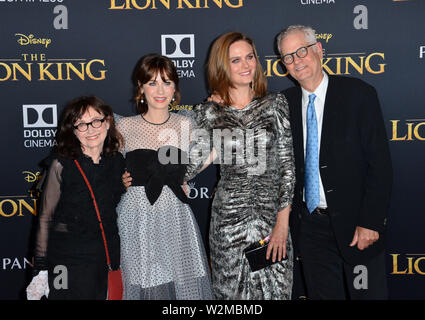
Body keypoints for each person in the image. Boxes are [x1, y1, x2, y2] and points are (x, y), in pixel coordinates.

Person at [277, 25, 392, 299]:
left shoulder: (359, 94)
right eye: (288, 57)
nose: (296, 60)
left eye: (301, 51)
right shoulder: (282, 103)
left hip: (357, 225)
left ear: (318, 50)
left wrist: (371, 222)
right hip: (311, 229)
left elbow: (381, 165)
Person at [186, 32, 295, 300]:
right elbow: (191, 166)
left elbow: (287, 167)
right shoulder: (210, 112)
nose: (246, 65)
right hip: (228, 222)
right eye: (236, 60)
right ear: (223, 67)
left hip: (270, 218)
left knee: (276, 293)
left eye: (250, 57)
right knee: (231, 298)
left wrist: (282, 224)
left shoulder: (275, 103)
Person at [116, 53, 212, 300]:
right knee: (144, 286)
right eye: (152, 82)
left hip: (175, 216)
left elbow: (202, 159)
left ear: (175, 88)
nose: (160, 90)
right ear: (141, 88)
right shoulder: (124, 126)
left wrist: (183, 180)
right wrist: (120, 182)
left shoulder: (186, 124)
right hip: (137, 218)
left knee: (183, 289)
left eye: (167, 82)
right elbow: (108, 173)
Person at [26, 96, 126, 300]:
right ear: (73, 130)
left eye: (96, 121)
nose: (91, 129)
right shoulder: (61, 164)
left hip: (107, 257)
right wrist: (42, 269)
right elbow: (45, 217)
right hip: (68, 260)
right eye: (81, 124)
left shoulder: (117, 162)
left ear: (107, 122)